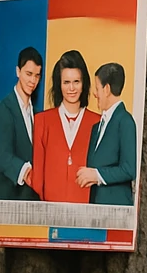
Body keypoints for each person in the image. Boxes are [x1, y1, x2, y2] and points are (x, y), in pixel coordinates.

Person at [28, 49, 100, 203]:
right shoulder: (42, 121)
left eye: (76, 82)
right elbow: (38, 176)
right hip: (50, 213)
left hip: (87, 214)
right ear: (58, 84)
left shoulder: (98, 122)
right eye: (66, 82)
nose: (72, 89)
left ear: (84, 83)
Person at [77, 62, 137, 205]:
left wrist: (97, 175)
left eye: (97, 88)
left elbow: (129, 169)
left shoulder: (126, 122)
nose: (95, 94)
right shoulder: (96, 127)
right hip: (96, 209)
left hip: (115, 210)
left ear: (107, 89)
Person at [0, 47, 42, 200]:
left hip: (33, 202)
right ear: (18, 71)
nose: (33, 81)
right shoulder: (2, 109)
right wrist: (27, 172)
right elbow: (1, 155)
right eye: (28, 74)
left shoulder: (38, 114)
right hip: (8, 199)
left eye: (37, 75)